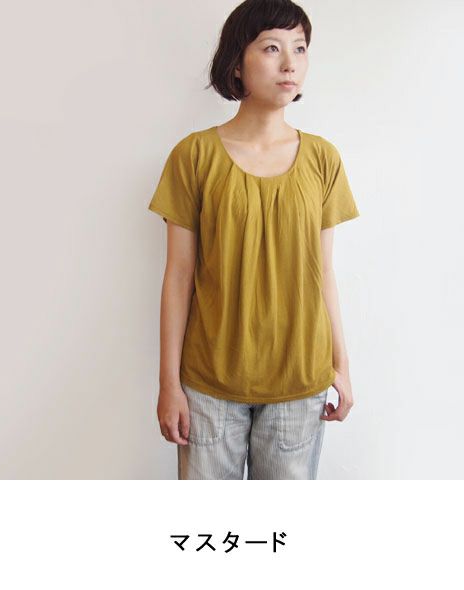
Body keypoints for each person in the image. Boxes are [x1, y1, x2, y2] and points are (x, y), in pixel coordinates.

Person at [147, 0, 360, 479]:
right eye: (271, 48)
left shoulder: (322, 159)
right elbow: (178, 277)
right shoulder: (194, 156)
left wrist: (342, 366)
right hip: (208, 385)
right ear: (237, 64)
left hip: (300, 383)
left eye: (299, 49)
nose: (290, 64)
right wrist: (169, 384)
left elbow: (323, 273)